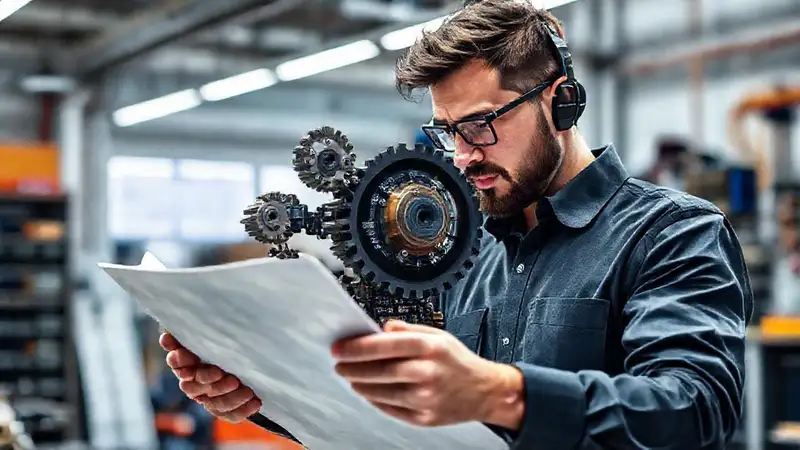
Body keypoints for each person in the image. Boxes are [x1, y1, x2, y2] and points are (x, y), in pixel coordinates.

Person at [160, 1, 753, 448]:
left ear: (561, 102)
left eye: (481, 124)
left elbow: (694, 409)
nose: (463, 156)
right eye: (448, 131)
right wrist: (259, 396)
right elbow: (389, 417)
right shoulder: (469, 255)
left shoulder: (671, 233)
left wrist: (500, 393)